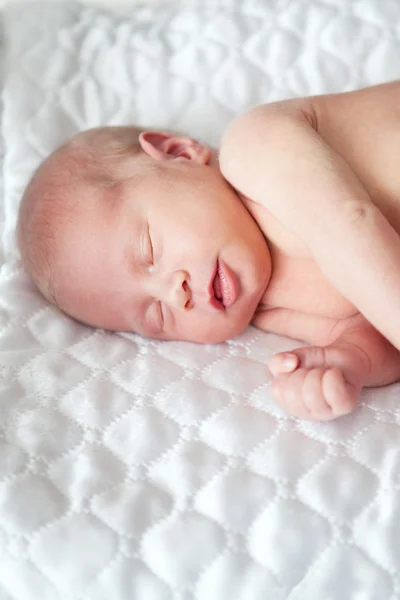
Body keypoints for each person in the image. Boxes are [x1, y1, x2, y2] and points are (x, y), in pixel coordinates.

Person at [17, 81, 400, 421]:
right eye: (156, 316)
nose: (175, 293)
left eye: (150, 250)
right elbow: (380, 331)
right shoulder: (271, 311)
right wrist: (351, 360)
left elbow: (351, 224)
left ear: (179, 152)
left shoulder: (254, 148)